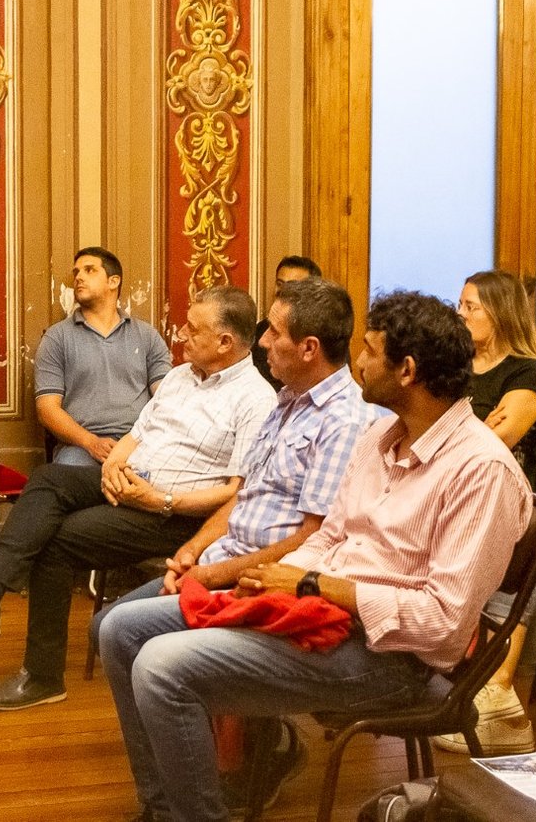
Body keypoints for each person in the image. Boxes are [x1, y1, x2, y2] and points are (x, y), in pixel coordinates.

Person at [100, 291, 530, 822]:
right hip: (318, 615)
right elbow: (329, 537)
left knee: (162, 666)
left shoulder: (481, 470)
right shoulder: (382, 434)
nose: (358, 361)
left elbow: (441, 624)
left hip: (390, 658)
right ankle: (165, 809)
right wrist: (276, 578)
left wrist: (309, 585)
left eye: (370, 350)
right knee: (121, 630)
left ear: (407, 371)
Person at [0, 286, 277, 711]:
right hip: (131, 482)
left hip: (177, 515)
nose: (181, 335)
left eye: (193, 330)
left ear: (225, 342)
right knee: (48, 478)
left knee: (58, 540)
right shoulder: (179, 378)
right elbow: (136, 436)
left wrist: (161, 499)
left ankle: (42, 677)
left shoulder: (255, 400)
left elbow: (236, 493)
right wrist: (113, 466)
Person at [92, 276, 375, 813]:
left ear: (309, 348)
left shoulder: (342, 420)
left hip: (262, 581)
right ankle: (167, 801)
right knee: (110, 629)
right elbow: (245, 496)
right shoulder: (289, 400)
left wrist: (212, 575)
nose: (262, 341)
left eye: (274, 332)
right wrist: (193, 551)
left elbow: (312, 538)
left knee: (125, 636)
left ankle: (190, 802)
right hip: (222, 562)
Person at [432, 269, 536, 754]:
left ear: (500, 313)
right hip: (447, 485)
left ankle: (499, 692)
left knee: (515, 536)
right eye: (459, 304)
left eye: (471, 307)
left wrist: (461, 429)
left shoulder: (527, 373)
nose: (459, 315)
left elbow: (499, 441)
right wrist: (476, 425)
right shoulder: (457, 365)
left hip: (508, 493)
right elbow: (428, 426)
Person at [37, 247, 171, 466]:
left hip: (139, 443)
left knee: (166, 473)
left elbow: (166, 396)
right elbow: (47, 409)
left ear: (113, 281)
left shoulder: (147, 336)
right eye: (76, 272)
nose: (79, 277)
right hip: (81, 447)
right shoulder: (56, 338)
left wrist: (135, 442)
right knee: (68, 474)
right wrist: (91, 443)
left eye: (89, 270)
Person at [251, 255, 321, 388]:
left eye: (292, 286)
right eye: (280, 284)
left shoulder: (325, 335)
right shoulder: (259, 332)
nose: (283, 291)